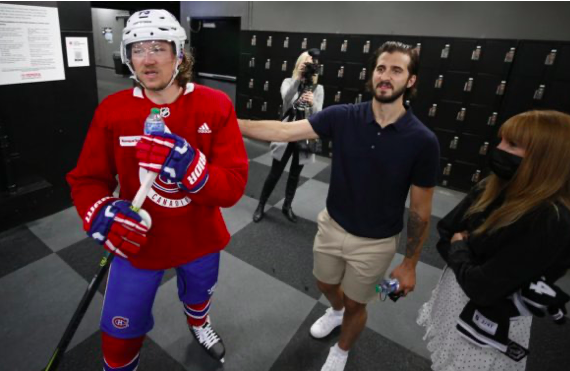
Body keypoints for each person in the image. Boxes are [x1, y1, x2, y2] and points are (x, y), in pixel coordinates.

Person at [239, 41, 440, 371]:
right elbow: (283, 129)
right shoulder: (344, 116)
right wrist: (230, 123)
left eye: (396, 70)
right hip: (331, 225)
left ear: (411, 80)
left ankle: (342, 349)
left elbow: (420, 211)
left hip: (375, 242)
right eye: (380, 68)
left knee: (356, 302)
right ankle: (335, 312)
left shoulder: (422, 141)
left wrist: (410, 264)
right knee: (324, 284)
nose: (386, 76)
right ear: (372, 75)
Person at [66, 10, 248, 370]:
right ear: (127, 55)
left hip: (199, 237)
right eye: (137, 49)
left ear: (179, 54)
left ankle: (199, 324)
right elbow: (87, 179)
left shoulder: (215, 105)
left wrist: (191, 169)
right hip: (136, 243)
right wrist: (99, 211)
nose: (147, 59)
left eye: (158, 48)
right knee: (118, 342)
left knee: (199, 296)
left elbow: (233, 185)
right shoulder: (113, 110)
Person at [417, 110, 570, 371]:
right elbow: (446, 232)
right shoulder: (492, 186)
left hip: (488, 318)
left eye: (513, 145)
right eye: (502, 141)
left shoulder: (552, 220)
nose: (499, 149)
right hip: (454, 292)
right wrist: (466, 255)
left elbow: (483, 288)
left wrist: (461, 247)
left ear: (547, 158)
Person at [252, 49, 324, 223]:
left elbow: (319, 114)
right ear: (298, 64)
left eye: (308, 63)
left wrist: (312, 103)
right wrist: (297, 80)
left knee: (294, 175)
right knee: (275, 172)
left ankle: (287, 206)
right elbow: (286, 100)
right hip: (286, 134)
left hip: (304, 135)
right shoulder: (287, 82)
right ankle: (261, 205)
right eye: (303, 62)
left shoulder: (318, 88)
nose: (305, 65)